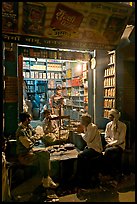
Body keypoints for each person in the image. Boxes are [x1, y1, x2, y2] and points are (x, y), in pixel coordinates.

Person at [15, 112, 58, 189]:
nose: (31, 120)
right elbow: (28, 144)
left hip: (31, 151)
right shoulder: (21, 132)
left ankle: (46, 178)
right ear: (26, 119)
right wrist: (35, 138)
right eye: (29, 118)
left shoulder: (28, 127)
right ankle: (46, 179)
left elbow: (37, 134)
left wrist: (34, 138)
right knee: (44, 157)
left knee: (46, 153)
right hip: (24, 155)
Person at [76, 114, 103, 186]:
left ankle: (82, 177)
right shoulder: (87, 127)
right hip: (91, 147)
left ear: (85, 121)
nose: (80, 121)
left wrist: (81, 134)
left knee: (80, 156)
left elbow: (88, 139)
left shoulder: (92, 127)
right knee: (82, 156)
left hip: (96, 149)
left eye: (81, 120)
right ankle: (82, 176)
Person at [103, 108, 127, 180]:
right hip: (111, 145)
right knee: (107, 152)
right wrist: (110, 143)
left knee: (108, 151)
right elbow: (106, 136)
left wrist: (111, 144)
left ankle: (109, 172)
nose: (110, 117)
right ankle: (110, 172)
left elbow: (121, 140)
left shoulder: (123, 126)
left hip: (120, 146)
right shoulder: (108, 125)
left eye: (111, 116)